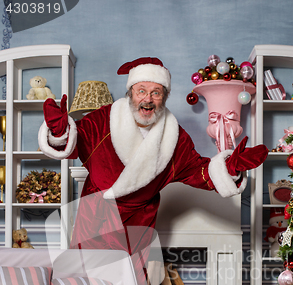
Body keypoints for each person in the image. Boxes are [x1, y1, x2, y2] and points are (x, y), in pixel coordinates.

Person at [38, 57, 268, 258]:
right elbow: (75, 142)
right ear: (131, 94)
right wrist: (60, 133)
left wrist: (230, 167)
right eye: (141, 91)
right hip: (95, 215)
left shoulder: (175, 137)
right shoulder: (103, 119)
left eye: (155, 93)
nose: (147, 99)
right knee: (87, 283)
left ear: (164, 98)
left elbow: (199, 171)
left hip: (139, 220)